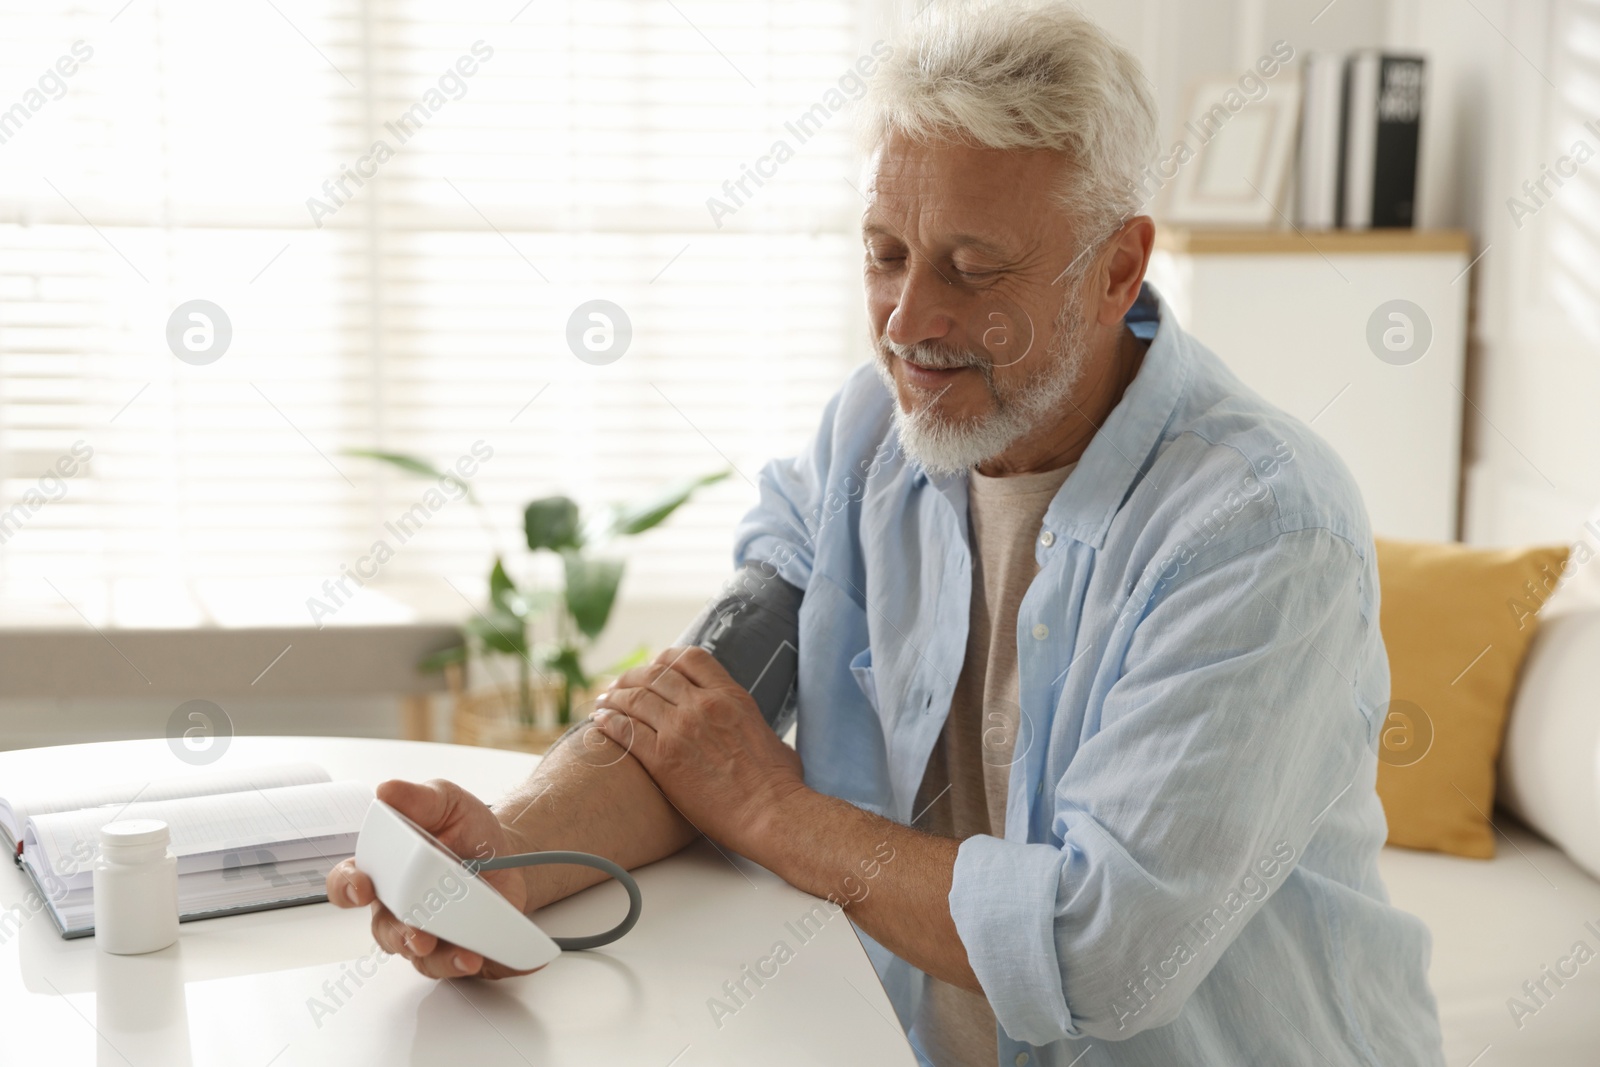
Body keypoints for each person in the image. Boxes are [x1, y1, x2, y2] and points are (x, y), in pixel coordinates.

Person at [328, 3, 1447, 1063]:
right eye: (884, 254)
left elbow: (1104, 951)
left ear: (1115, 267)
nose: (910, 323)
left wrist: (774, 808)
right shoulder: (869, 434)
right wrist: (507, 855)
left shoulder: (1258, 527)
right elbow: (705, 715)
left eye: (972, 268)